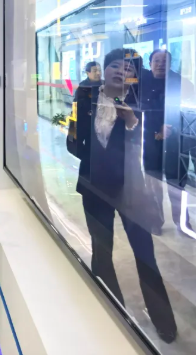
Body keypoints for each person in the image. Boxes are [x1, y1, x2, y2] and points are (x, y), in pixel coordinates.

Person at [69, 48, 177, 344]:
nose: (121, 71)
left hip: (132, 190)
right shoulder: (86, 95)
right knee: (101, 251)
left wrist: (131, 122)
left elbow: (150, 142)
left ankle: (164, 322)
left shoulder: (140, 100)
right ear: (104, 70)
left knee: (145, 254)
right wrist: (84, 146)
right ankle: (110, 311)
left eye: (128, 67)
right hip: (95, 187)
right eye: (115, 65)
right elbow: (73, 140)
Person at [141, 49, 195, 232]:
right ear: (150, 63)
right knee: (152, 183)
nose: (160, 64)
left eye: (165, 61)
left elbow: (190, 111)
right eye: (156, 60)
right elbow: (135, 108)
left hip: (175, 142)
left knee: (176, 183)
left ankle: (182, 222)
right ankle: (155, 221)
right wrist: (155, 130)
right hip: (150, 141)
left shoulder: (182, 83)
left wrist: (170, 125)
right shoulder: (142, 83)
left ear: (171, 64)